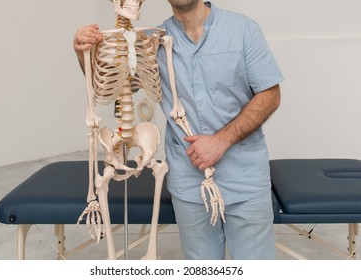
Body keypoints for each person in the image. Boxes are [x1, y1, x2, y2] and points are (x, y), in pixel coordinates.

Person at [73, 0, 284, 260]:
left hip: (244, 178)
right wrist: (85, 53)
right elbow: (112, 90)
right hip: (189, 183)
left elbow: (270, 95)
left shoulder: (243, 30)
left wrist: (221, 141)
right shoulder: (151, 42)